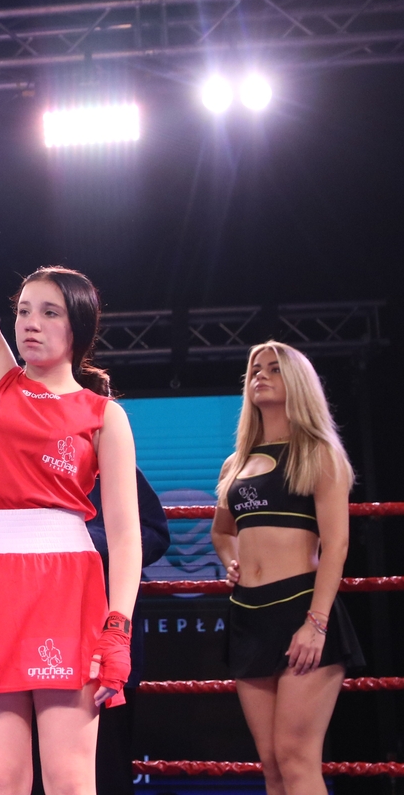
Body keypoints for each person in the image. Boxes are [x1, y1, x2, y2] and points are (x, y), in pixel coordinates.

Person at [0, 125, 142, 795]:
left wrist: (118, 625)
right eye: (24, 310)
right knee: (1, 781)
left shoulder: (104, 415)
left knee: (69, 779)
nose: (29, 322)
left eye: (48, 312)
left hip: (68, 587)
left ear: (76, 325)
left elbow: (126, 533)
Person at [0, 470, 171, 795]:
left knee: (94, 774)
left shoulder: (105, 464)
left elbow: (153, 533)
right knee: (9, 777)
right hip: (9, 634)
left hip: (90, 639)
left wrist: (77, 544)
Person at [210, 341, 362, 795]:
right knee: (273, 766)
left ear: (297, 381)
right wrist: (231, 562)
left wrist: (316, 624)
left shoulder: (318, 453)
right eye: (256, 368)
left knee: (297, 759)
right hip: (248, 614)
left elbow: (336, 544)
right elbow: (222, 532)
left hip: (300, 609)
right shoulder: (236, 463)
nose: (261, 375)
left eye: (274, 369)